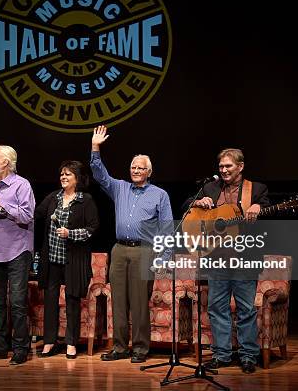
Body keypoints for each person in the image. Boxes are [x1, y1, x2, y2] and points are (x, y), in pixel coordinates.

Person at [90, 125, 173, 363]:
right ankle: (119, 347)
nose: (136, 171)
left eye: (140, 168)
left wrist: (164, 258)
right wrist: (95, 147)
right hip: (119, 250)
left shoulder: (159, 194)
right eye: (133, 167)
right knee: (118, 302)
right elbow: (99, 175)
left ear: (149, 171)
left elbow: (166, 228)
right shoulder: (120, 188)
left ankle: (139, 348)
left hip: (145, 250)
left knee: (138, 303)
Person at [188, 148, 270, 374]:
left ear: (240, 167)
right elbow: (188, 205)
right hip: (216, 258)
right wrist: (198, 202)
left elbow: (267, 210)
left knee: (245, 309)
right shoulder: (211, 188)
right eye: (221, 166)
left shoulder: (256, 189)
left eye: (228, 166)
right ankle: (222, 355)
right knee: (217, 307)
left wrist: (258, 206)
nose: (223, 170)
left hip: (244, 258)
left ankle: (247, 356)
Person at [35, 160, 99, 359]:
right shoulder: (53, 198)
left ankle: (71, 342)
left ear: (77, 179)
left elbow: (92, 228)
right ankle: (49, 341)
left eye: (68, 174)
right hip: (52, 258)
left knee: (72, 300)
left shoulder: (85, 200)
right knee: (50, 300)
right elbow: (35, 214)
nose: (63, 177)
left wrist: (71, 233)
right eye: (62, 174)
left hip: (74, 260)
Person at [0, 145, 35, 366]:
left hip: (17, 250)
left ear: (5, 162)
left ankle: (21, 348)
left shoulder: (22, 185)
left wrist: (2, 203)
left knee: (19, 302)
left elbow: (27, 216)